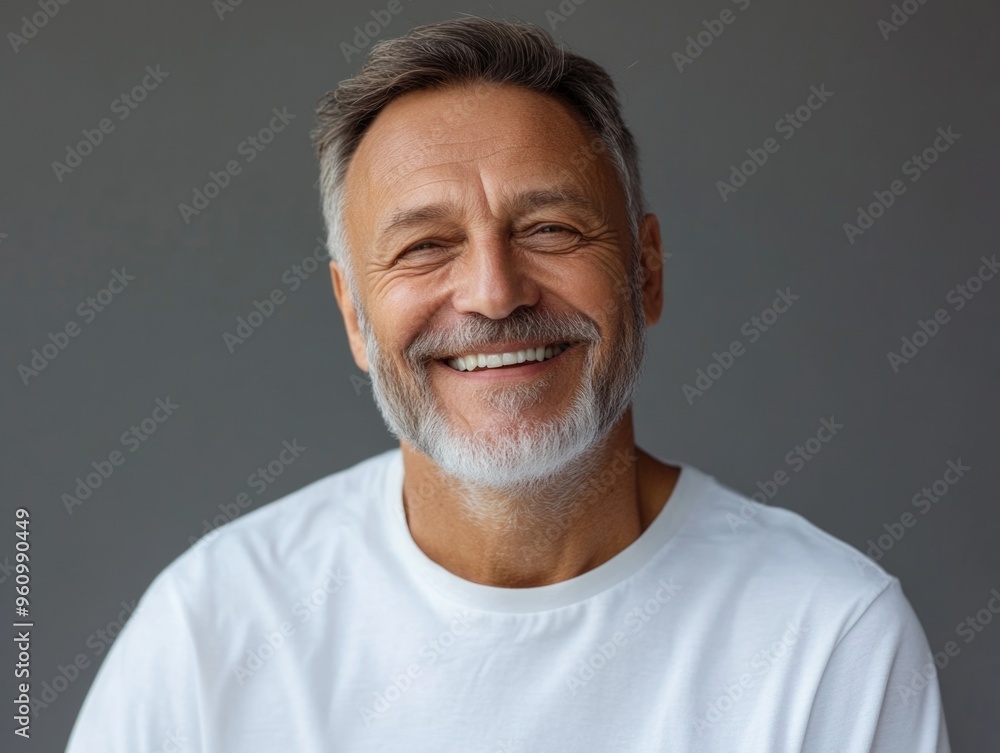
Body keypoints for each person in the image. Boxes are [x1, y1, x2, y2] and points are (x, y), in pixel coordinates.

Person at [65, 16, 951, 752]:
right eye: (424, 246)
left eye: (551, 228)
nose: (495, 292)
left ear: (645, 272)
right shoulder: (213, 628)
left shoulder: (829, 636)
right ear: (353, 317)